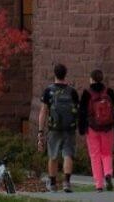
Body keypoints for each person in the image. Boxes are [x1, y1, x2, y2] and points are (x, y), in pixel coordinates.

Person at [38, 62, 79, 193]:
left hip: (54, 128)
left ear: (54, 74)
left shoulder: (48, 91)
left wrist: (40, 131)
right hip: (69, 128)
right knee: (68, 155)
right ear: (65, 74)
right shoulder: (72, 91)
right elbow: (77, 111)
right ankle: (67, 182)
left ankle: (53, 183)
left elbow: (43, 111)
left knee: (53, 156)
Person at [78, 68, 114, 192]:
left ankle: (99, 184)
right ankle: (108, 173)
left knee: (95, 156)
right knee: (107, 153)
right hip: (108, 128)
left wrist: (81, 128)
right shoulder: (109, 92)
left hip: (92, 128)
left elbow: (82, 113)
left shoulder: (87, 93)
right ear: (101, 79)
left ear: (91, 79)